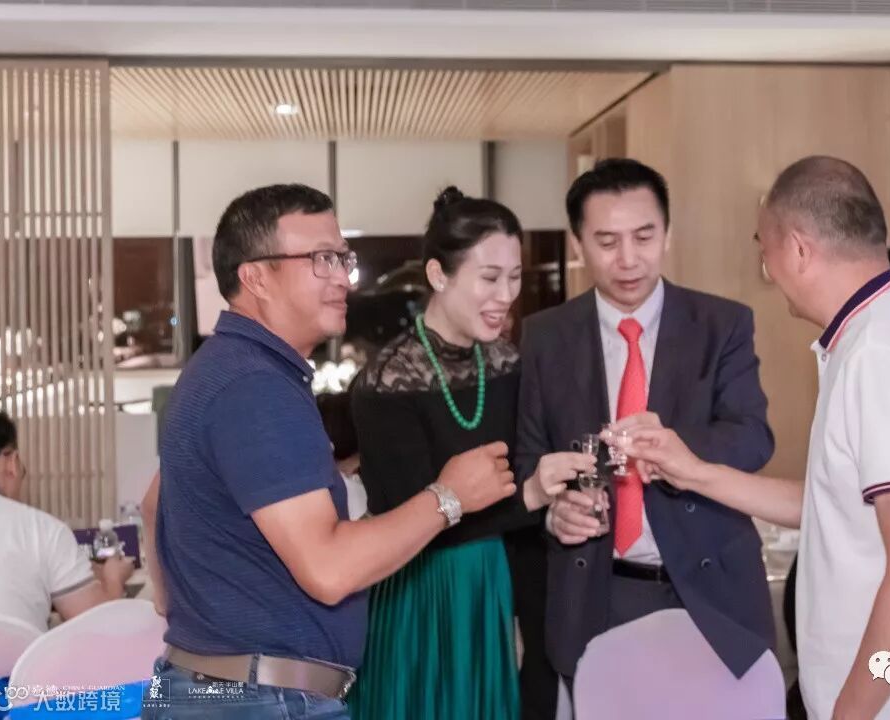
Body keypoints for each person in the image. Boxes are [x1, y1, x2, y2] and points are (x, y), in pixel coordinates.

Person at [615, 156, 890, 719]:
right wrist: (695, 472)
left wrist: (850, 712)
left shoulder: (880, 355)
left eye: (765, 248)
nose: (766, 267)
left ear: (798, 249)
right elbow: (835, 504)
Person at [142, 184, 515, 720]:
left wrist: (187, 605)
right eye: (321, 259)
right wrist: (449, 497)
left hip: (222, 688)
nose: (343, 277)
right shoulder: (255, 387)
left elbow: (155, 502)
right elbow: (329, 569)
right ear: (256, 277)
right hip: (261, 699)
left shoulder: (223, 367)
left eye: (343, 258)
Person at [517, 158, 777, 688]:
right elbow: (529, 457)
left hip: (711, 591)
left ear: (667, 234)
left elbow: (753, 438)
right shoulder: (546, 336)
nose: (629, 259)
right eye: (607, 242)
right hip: (597, 592)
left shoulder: (721, 324)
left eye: (644, 236)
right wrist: (554, 513)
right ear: (577, 244)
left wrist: (675, 449)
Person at [349, 187, 593, 720]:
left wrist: (556, 504)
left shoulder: (507, 364)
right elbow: (407, 523)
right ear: (438, 275)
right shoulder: (387, 383)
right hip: (422, 595)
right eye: (489, 278)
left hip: (500, 585)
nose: (506, 295)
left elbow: (526, 489)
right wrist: (531, 494)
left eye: (514, 277)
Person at [0, 406, 133, 633]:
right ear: (12, 462)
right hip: (19, 658)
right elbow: (99, 626)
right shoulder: (41, 530)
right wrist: (114, 578)